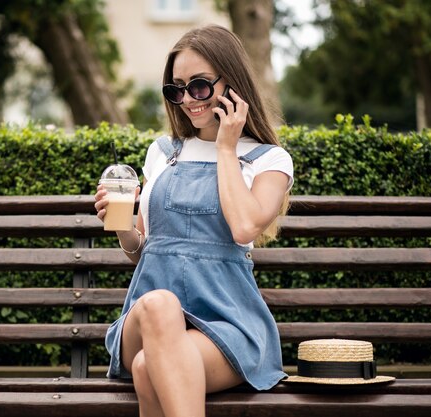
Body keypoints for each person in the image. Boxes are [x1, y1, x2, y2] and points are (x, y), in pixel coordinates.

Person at [94, 24, 293, 417]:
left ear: (232, 83)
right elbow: (143, 251)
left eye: (199, 86)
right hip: (147, 317)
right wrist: (122, 227)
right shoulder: (163, 152)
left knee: (148, 367)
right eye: (176, 88)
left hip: (227, 325)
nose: (187, 100)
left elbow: (244, 227)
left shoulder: (268, 160)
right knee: (160, 306)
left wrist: (225, 147)